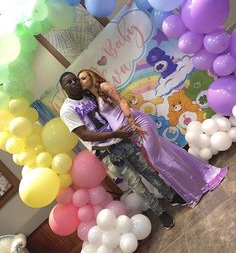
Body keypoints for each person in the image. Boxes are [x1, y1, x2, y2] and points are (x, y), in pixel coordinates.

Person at [77, 69, 228, 207]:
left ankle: (195, 188)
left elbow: (122, 102)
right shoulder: (94, 98)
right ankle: (201, 179)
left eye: (83, 78)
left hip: (138, 124)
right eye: (80, 80)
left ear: (91, 77)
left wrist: (131, 122)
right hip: (131, 133)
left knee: (158, 160)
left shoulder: (104, 86)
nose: (81, 81)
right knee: (171, 152)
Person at [60, 72, 187, 230]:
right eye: (68, 82)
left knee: (148, 171)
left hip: (123, 140)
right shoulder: (67, 109)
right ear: (63, 88)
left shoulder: (88, 95)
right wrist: (114, 134)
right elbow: (84, 135)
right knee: (136, 183)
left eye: (75, 79)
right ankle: (160, 213)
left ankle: (172, 196)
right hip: (107, 152)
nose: (74, 83)